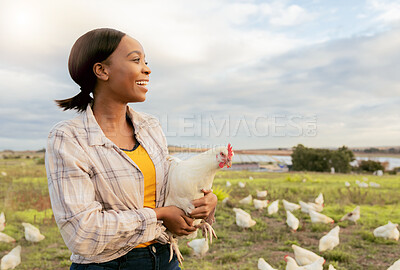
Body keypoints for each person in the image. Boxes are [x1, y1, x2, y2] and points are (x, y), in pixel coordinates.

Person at [45, 28, 217, 270]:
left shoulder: (150, 127)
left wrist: (204, 203)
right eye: (136, 60)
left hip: (165, 257)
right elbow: (81, 232)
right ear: (102, 70)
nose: (146, 69)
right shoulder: (69, 138)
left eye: (146, 61)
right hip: (106, 265)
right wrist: (159, 215)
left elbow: (170, 190)